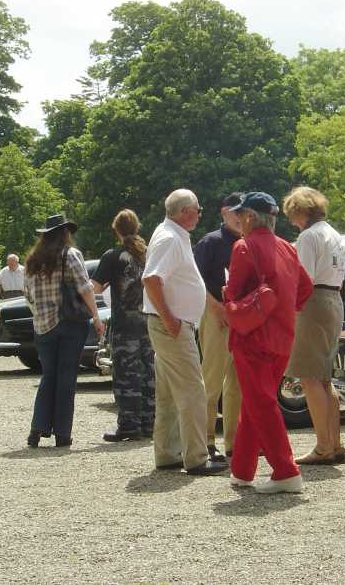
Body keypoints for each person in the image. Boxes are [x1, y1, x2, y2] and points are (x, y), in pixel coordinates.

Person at [224, 192, 313, 493]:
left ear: (250, 216)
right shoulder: (287, 247)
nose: (238, 220)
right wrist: (283, 309)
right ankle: (242, 471)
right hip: (282, 338)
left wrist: (233, 300)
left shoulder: (243, 247)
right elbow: (305, 288)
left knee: (260, 404)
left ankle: (286, 471)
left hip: (252, 338)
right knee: (255, 403)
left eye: (241, 215)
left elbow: (233, 293)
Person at [142, 189, 227, 476]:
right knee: (193, 390)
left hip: (171, 324)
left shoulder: (172, 234)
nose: (200, 215)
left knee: (168, 394)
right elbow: (151, 279)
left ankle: (168, 453)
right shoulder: (169, 238)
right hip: (172, 325)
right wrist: (170, 320)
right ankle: (197, 457)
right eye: (198, 210)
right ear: (185, 212)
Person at [23, 215, 105, 448]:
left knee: (48, 376)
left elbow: (27, 295)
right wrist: (96, 316)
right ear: (65, 233)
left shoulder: (32, 260)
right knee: (67, 377)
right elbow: (85, 287)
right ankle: (62, 433)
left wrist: (40, 314)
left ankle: (37, 429)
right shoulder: (70, 255)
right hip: (69, 322)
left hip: (42, 326)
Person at [282, 186, 345, 466]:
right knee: (324, 377)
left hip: (314, 302)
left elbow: (303, 279)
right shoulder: (334, 234)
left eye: (292, 214)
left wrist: (288, 307)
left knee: (308, 376)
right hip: (334, 300)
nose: (292, 221)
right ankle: (334, 443)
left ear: (302, 211)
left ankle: (323, 447)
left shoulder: (308, 237)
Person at [91, 210, 155, 442]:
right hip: (149, 323)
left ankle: (129, 426)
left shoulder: (113, 256)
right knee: (149, 373)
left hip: (125, 326)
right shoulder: (148, 253)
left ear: (116, 230)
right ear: (137, 227)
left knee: (126, 376)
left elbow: (95, 288)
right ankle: (150, 423)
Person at [193, 192, 243, 462]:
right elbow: (194, 280)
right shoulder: (210, 242)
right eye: (236, 212)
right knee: (211, 381)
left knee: (237, 384)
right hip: (216, 316)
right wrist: (215, 307)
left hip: (243, 319)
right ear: (224, 212)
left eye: (244, 212)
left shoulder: (248, 242)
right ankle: (207, 441)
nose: (240, 217)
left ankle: (234, 443)